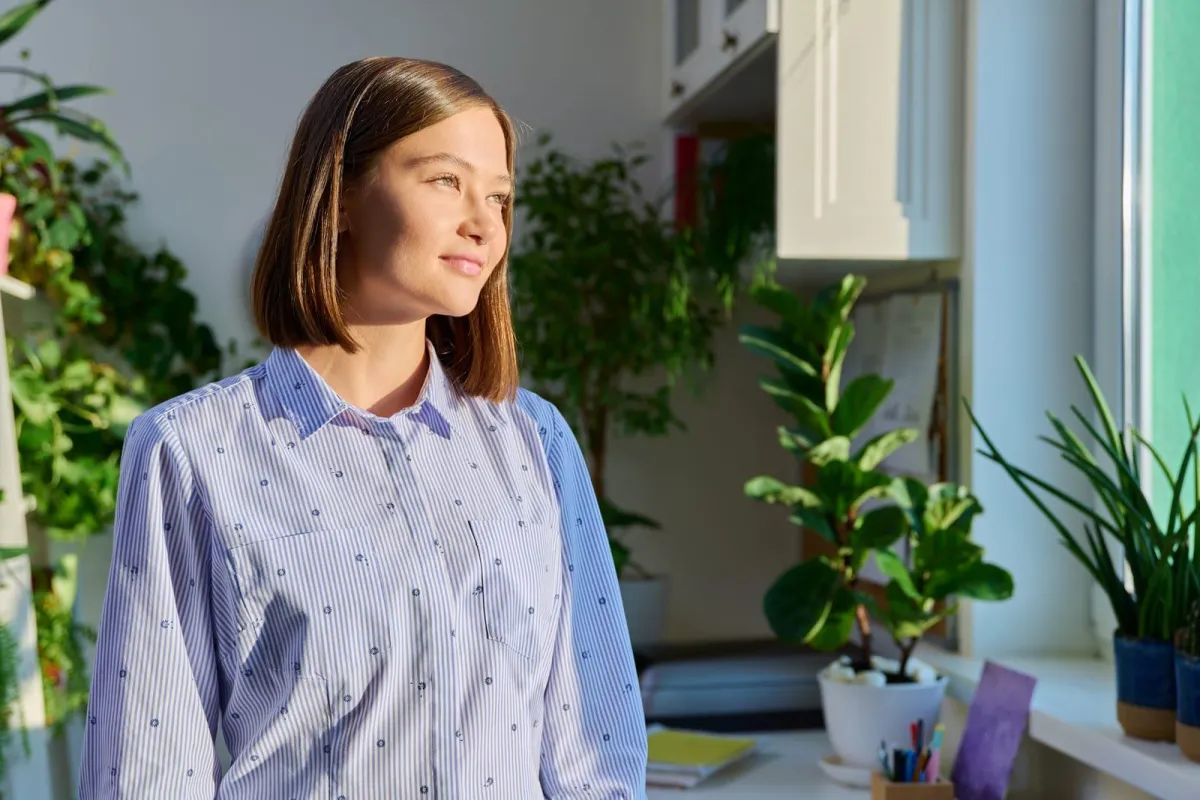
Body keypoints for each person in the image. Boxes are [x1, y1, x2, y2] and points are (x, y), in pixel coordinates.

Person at [78, 56, 648, 799]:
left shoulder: (535, 443)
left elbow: (595, 756)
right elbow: (147, 771)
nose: (483, 223)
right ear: (340, 193)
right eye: (447, 181)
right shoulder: (191, 452)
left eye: (501, 199)